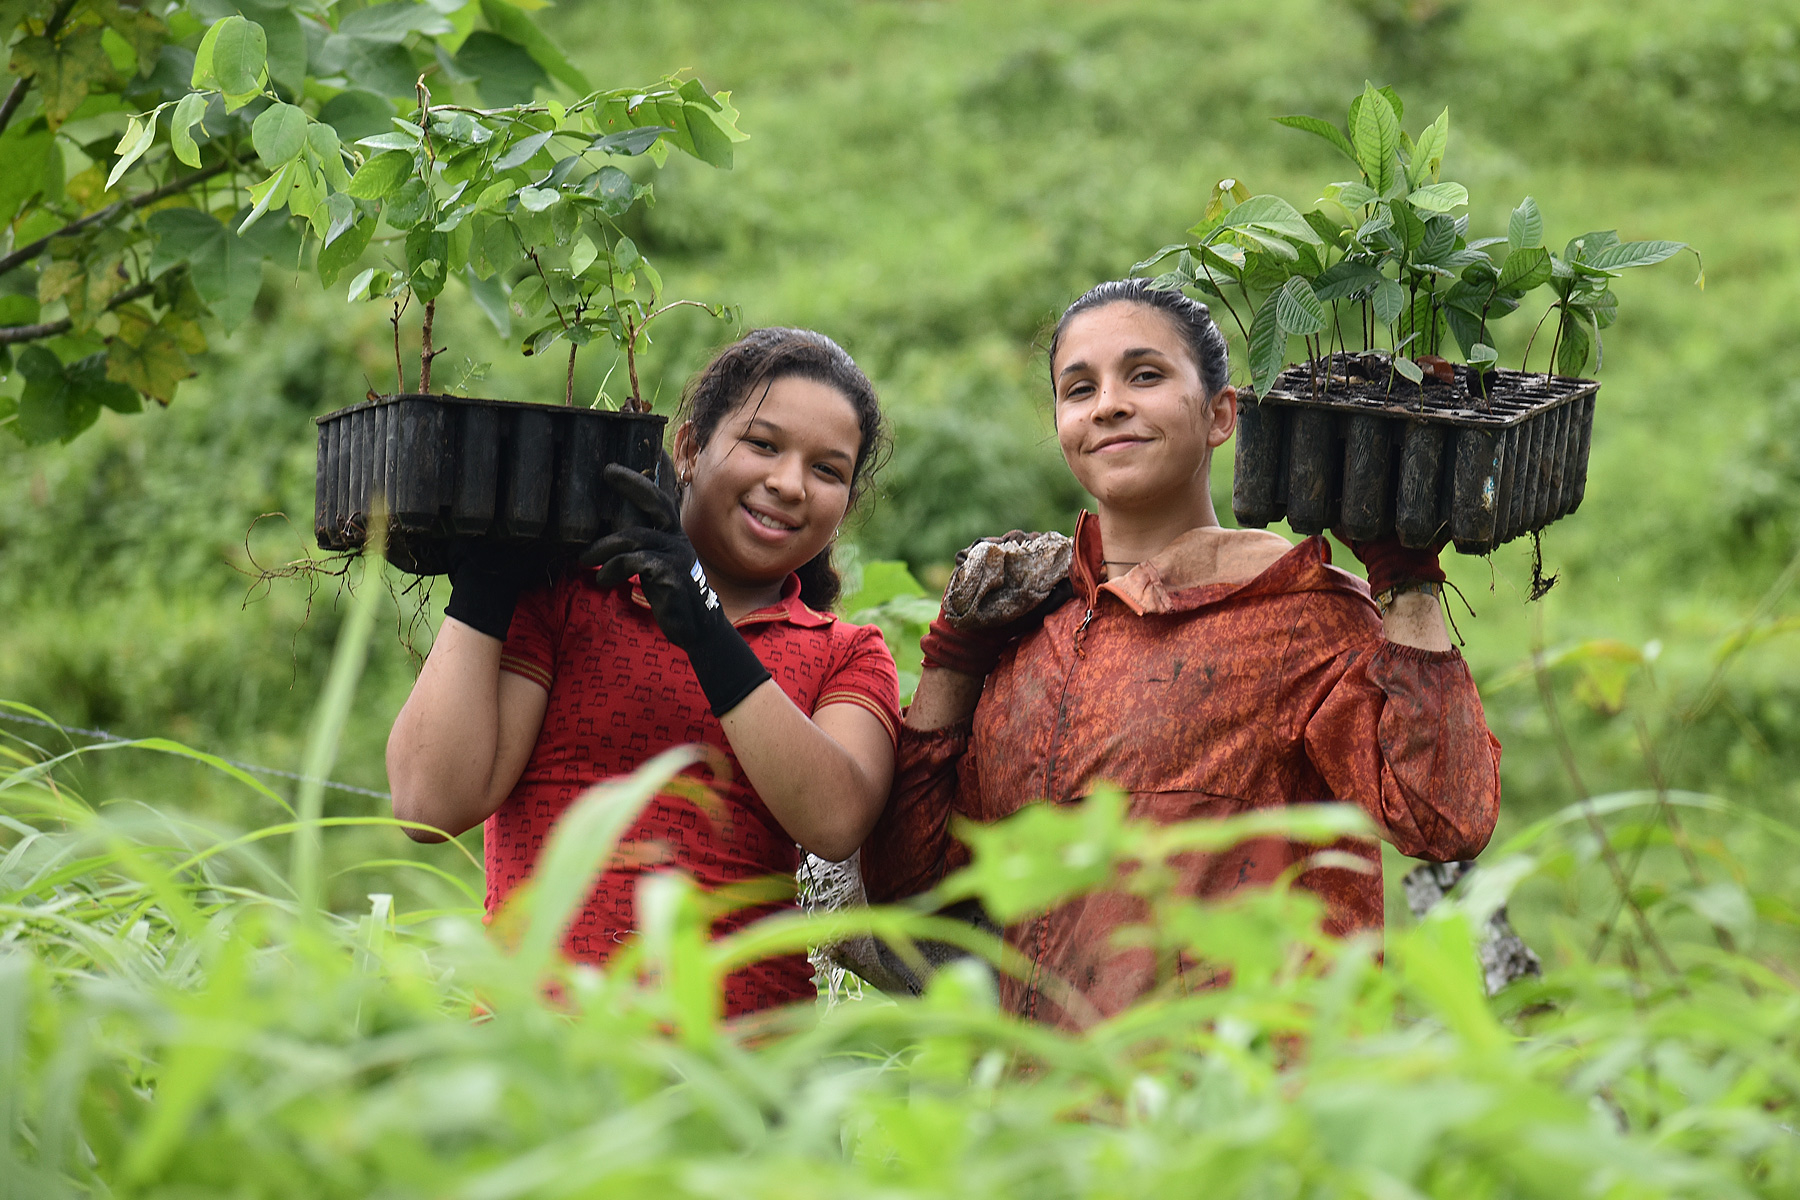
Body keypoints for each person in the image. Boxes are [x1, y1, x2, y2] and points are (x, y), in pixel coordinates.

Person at [860, 279, 1502, 1027]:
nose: (1108, 404)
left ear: (1221, 414)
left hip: (1242, 1114)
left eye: (1145, 375)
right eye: (1079, 389)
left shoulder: (1298, 613)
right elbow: (914, 893)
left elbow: (1445, 818)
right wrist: (953, 660)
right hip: (1049, 1118)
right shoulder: (1031, 641)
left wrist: (1409, 585)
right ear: (1062, 425)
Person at [387, 329, 900, 1017]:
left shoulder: (846, 652)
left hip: (743, 1073)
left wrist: (705, 624)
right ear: (688, 448)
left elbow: (837, 820)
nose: (788, 484)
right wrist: (486, 581)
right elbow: (428, 804)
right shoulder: (571, 599)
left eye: (828, 471)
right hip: (538, 1055)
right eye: (763, 444)